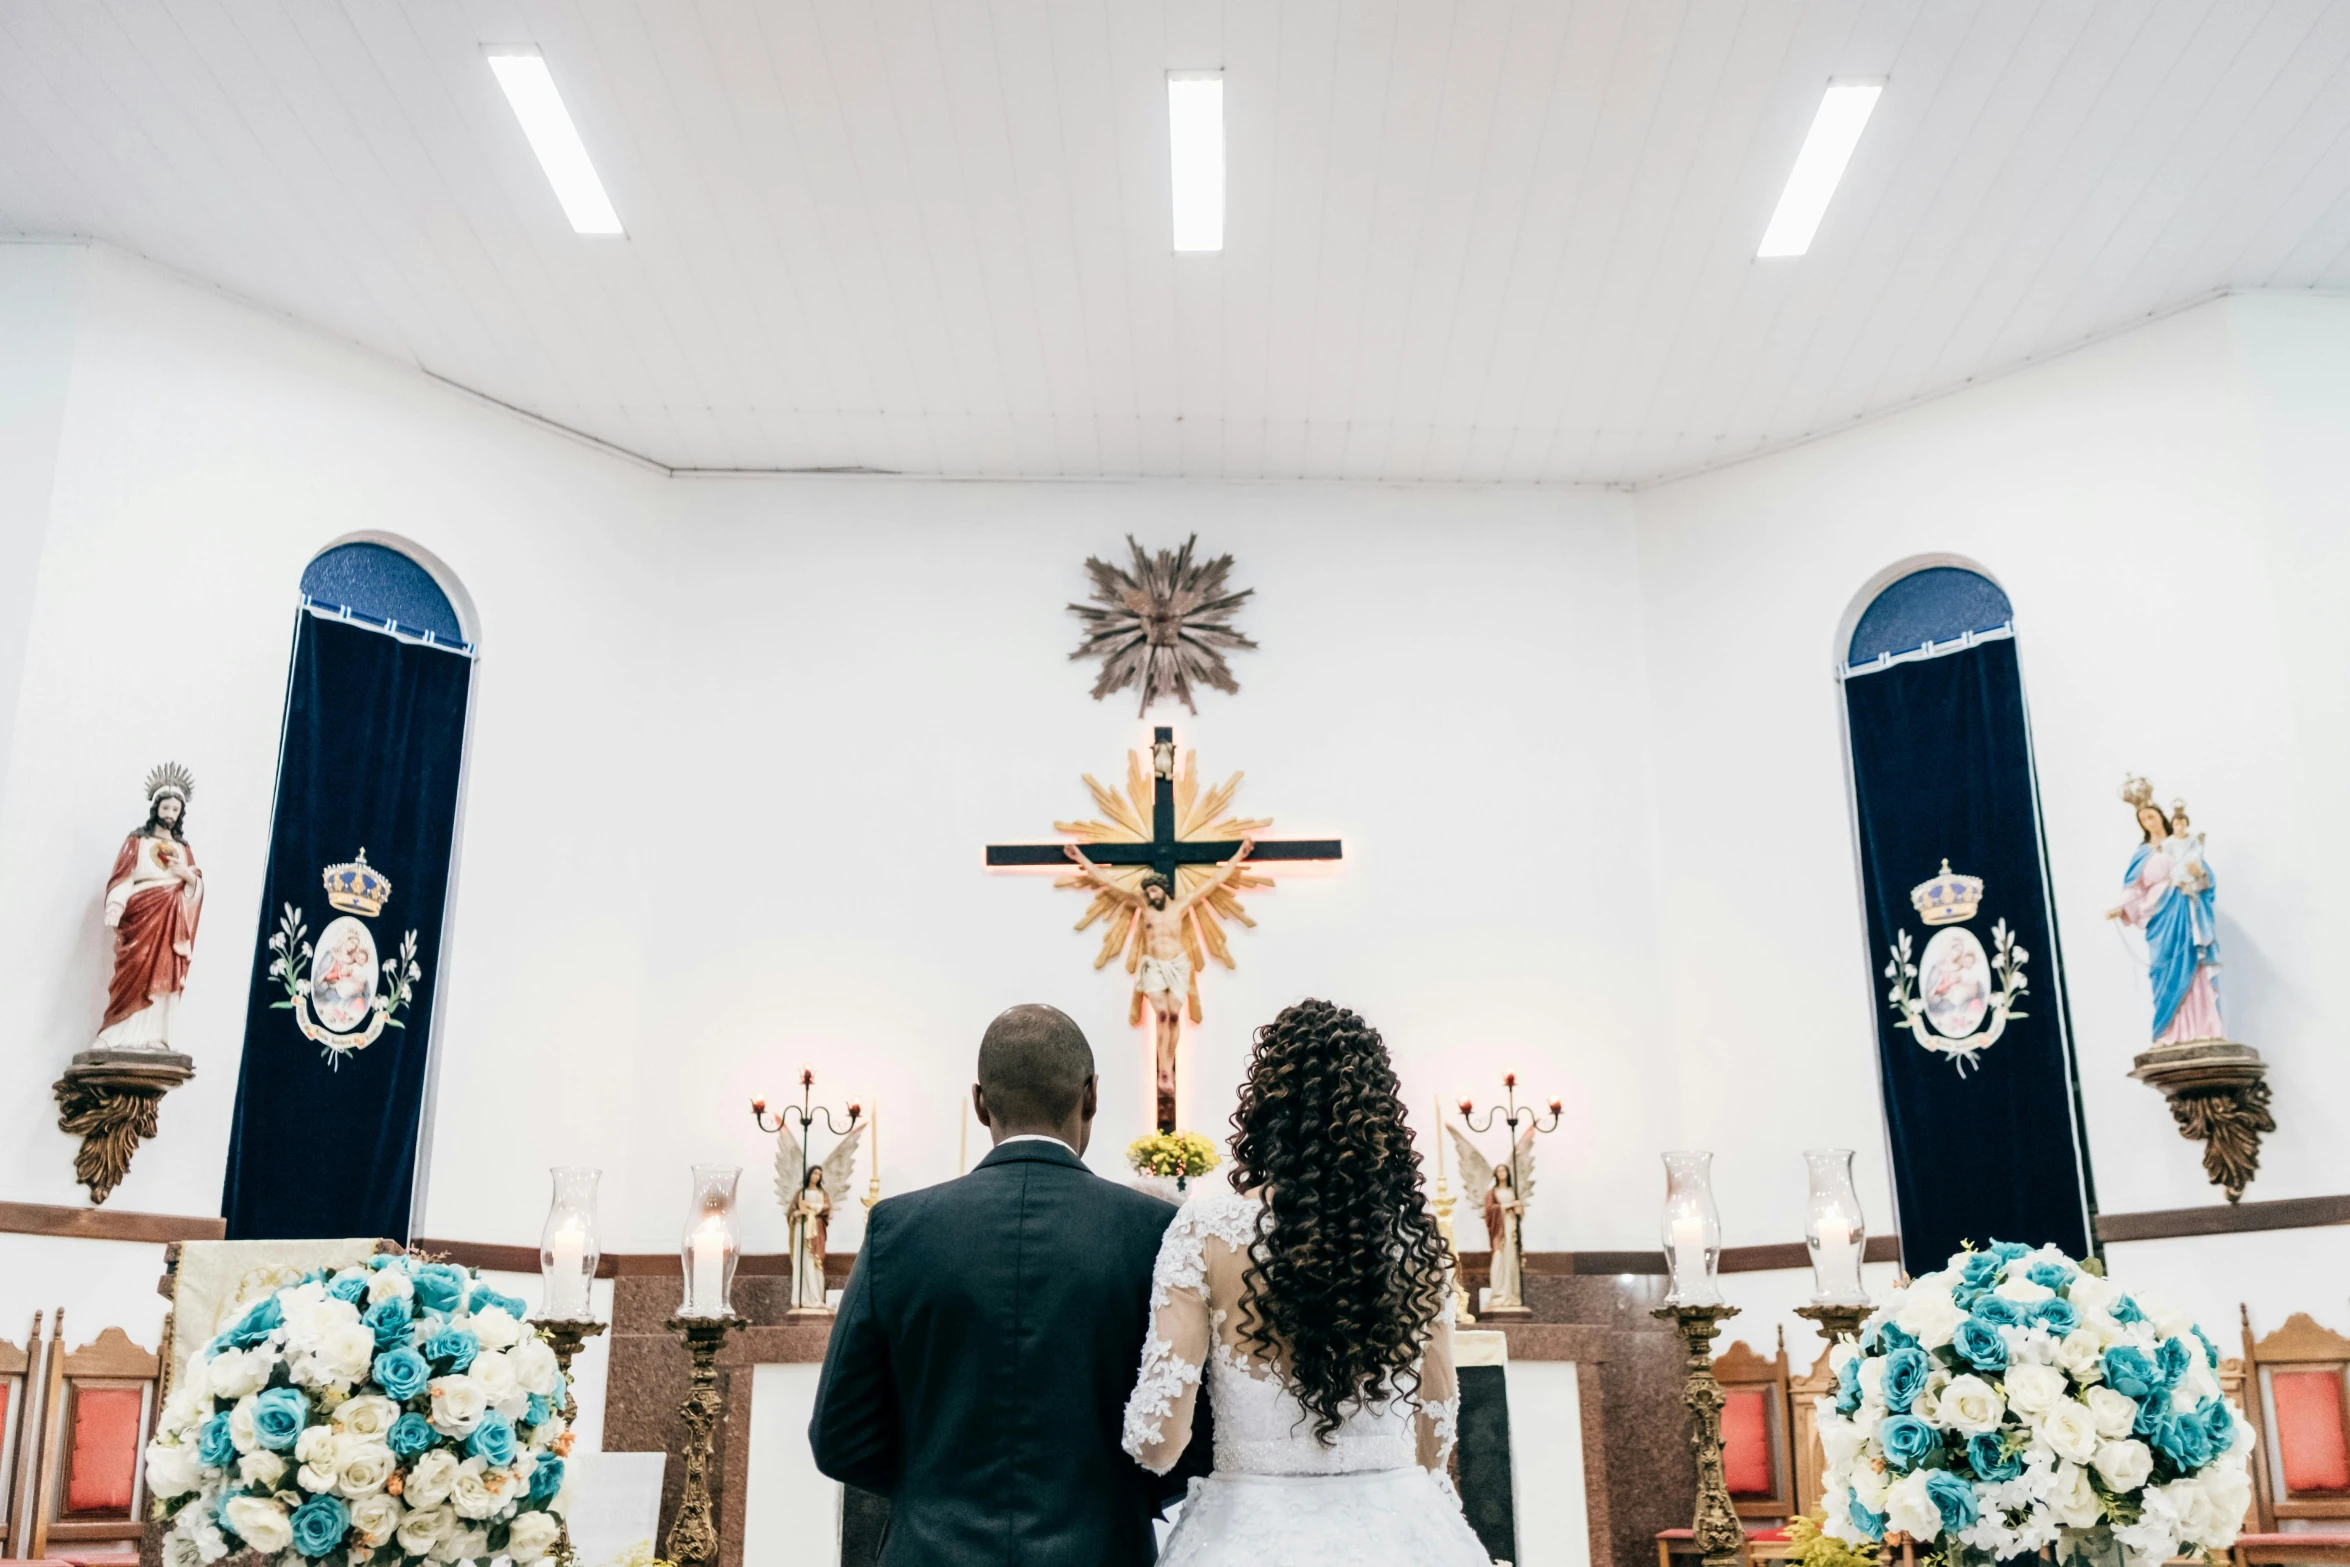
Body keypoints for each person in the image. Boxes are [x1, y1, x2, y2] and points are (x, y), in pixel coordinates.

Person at [810, 1004, 1205, 1566]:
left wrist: (931, 1489)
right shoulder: (1155, 1232)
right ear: (1091, 1095)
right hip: (1100, 1549)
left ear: (978, 1102)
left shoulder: (898, 1230)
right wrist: (1116, 1499)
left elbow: (840, 1437)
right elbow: (1193, 1435)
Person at [1123, 998, 1497, 1566]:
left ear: (1267, 1109)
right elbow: (1434, 1432)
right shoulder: (1417, 1243)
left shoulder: (1204, 1231)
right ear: (1378, 1117)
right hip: (1403, 1530)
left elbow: (1157, 1442)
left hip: (1245, 1535)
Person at [1064, 839, 1253, 1129]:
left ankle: (1166, 1066)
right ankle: (1164, 1068)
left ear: (1164, 889)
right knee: (1161, 1014)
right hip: (1153, 966)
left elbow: (1214, 881)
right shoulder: (1143, 906)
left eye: (1154, 889)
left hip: (1176, 965)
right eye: (1147, 890)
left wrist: (1240, 854)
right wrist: (1082, 859)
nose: (1150, 894)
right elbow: (1109, 882)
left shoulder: (1179, 906)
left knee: (1174, 1015)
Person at [98, 766, 204, 1050]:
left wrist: (186, 874)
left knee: (164, 971)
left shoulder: (183, 848)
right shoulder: (138, 841)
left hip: (171, 916)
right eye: (166, 807)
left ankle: (157, 1035)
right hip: (141, 914)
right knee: (134, 971)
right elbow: (124, 876)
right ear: (156, 807)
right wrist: (116, 904)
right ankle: (115, 1032)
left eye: (175, 809)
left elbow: (195, 888)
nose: (170, 814)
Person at [2108, 786, 2224, 1043]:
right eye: (2143, 820)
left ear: (2161, 816)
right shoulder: (2142, 854)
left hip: (2185, 911)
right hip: (2160, 919)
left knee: (2193, 965)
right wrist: (2121, 907)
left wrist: (2199, 875)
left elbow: (2206, 878)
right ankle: (2169, 1030)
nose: (2148, 822)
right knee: (2164, 968)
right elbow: (2133, 889)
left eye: (2151, 816)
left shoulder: (2183, 845)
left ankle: (2203, 1027)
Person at [786, 1165, 832, 1311]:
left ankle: (816, 1297)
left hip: (815, 1231)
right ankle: (800, 1298)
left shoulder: (822, 1193)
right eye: (814, 1174)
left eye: (819, 1174)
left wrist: (812, 1208)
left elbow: (826, 1209)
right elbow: (791, 1213)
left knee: (814, 1262)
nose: (816, 1177)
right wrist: (799, 1213)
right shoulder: (801, 1193)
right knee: (802, 1261)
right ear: (809, 1175)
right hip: (802, 1229)